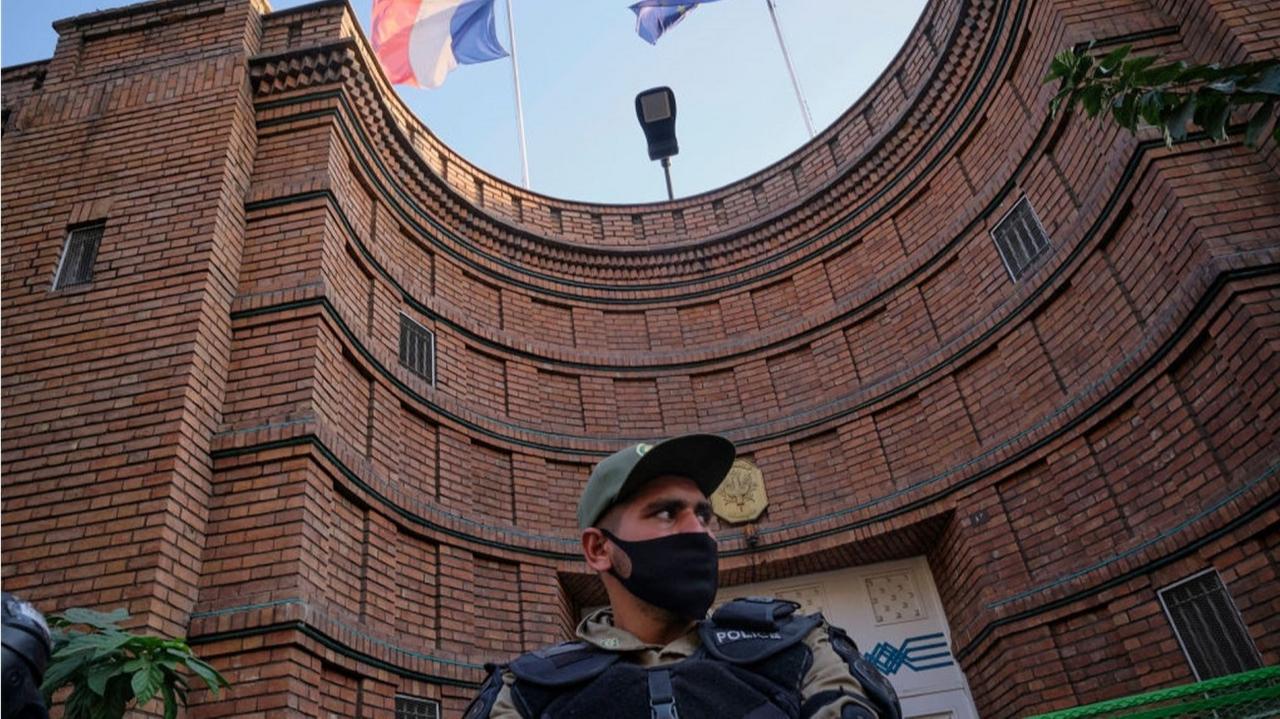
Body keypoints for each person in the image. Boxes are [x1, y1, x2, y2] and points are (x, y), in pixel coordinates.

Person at [465, 433, 901, 719]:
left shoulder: (800, 649)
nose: (699, 531)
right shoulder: (524, 691)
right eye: (667, 512)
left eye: (704, 515)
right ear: (599, 549)